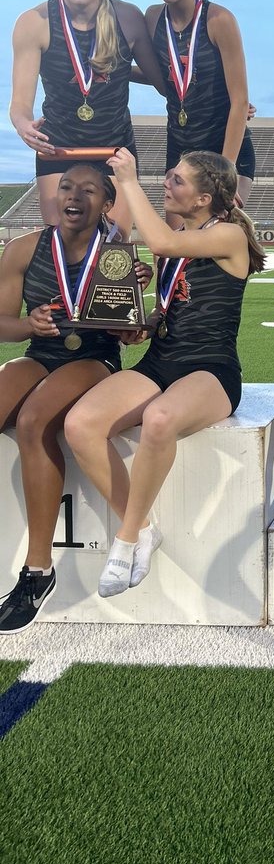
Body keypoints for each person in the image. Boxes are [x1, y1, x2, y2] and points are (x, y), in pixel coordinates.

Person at [64, 148, 264, 596]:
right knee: (80, 424)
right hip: (161, 359)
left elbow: (162, 243)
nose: (166, 184)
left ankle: (126, 537)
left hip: (211, 369)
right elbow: (177, 298)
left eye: (177, 180)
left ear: (203, 198)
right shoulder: (179, 233)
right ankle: (145, 527)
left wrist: (129, 182)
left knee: (159, 419)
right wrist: (149, 321)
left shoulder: (229, 234)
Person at [0, 165, 127, 632]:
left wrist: (131, 325)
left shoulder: (117, 254)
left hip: (94, 361)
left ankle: (37, 572)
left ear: (107, 204)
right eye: (66, 187)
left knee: (35, 420)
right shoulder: (22, 249)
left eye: (88, 190)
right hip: (40, 354)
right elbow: (1, 324)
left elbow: (127, 331)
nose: (73, 196)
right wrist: (28, 325)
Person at [10, 0, 166, 234]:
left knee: (114, 251)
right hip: (58, 151)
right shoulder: (33, 22)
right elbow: (20, 104)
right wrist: (24, 125)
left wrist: (230, 96)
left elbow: (161, 81)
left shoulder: (128, 17)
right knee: (62, 247)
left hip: (114, 151)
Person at [138, 0, 255, 212]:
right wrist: (117, 70)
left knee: (218, 244)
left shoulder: (219, 20)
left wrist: (224, 172)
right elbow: (165, 79)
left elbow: (239, 101)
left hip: (224, 147)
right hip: (179, 147)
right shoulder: (152, 18)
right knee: (176, 247)